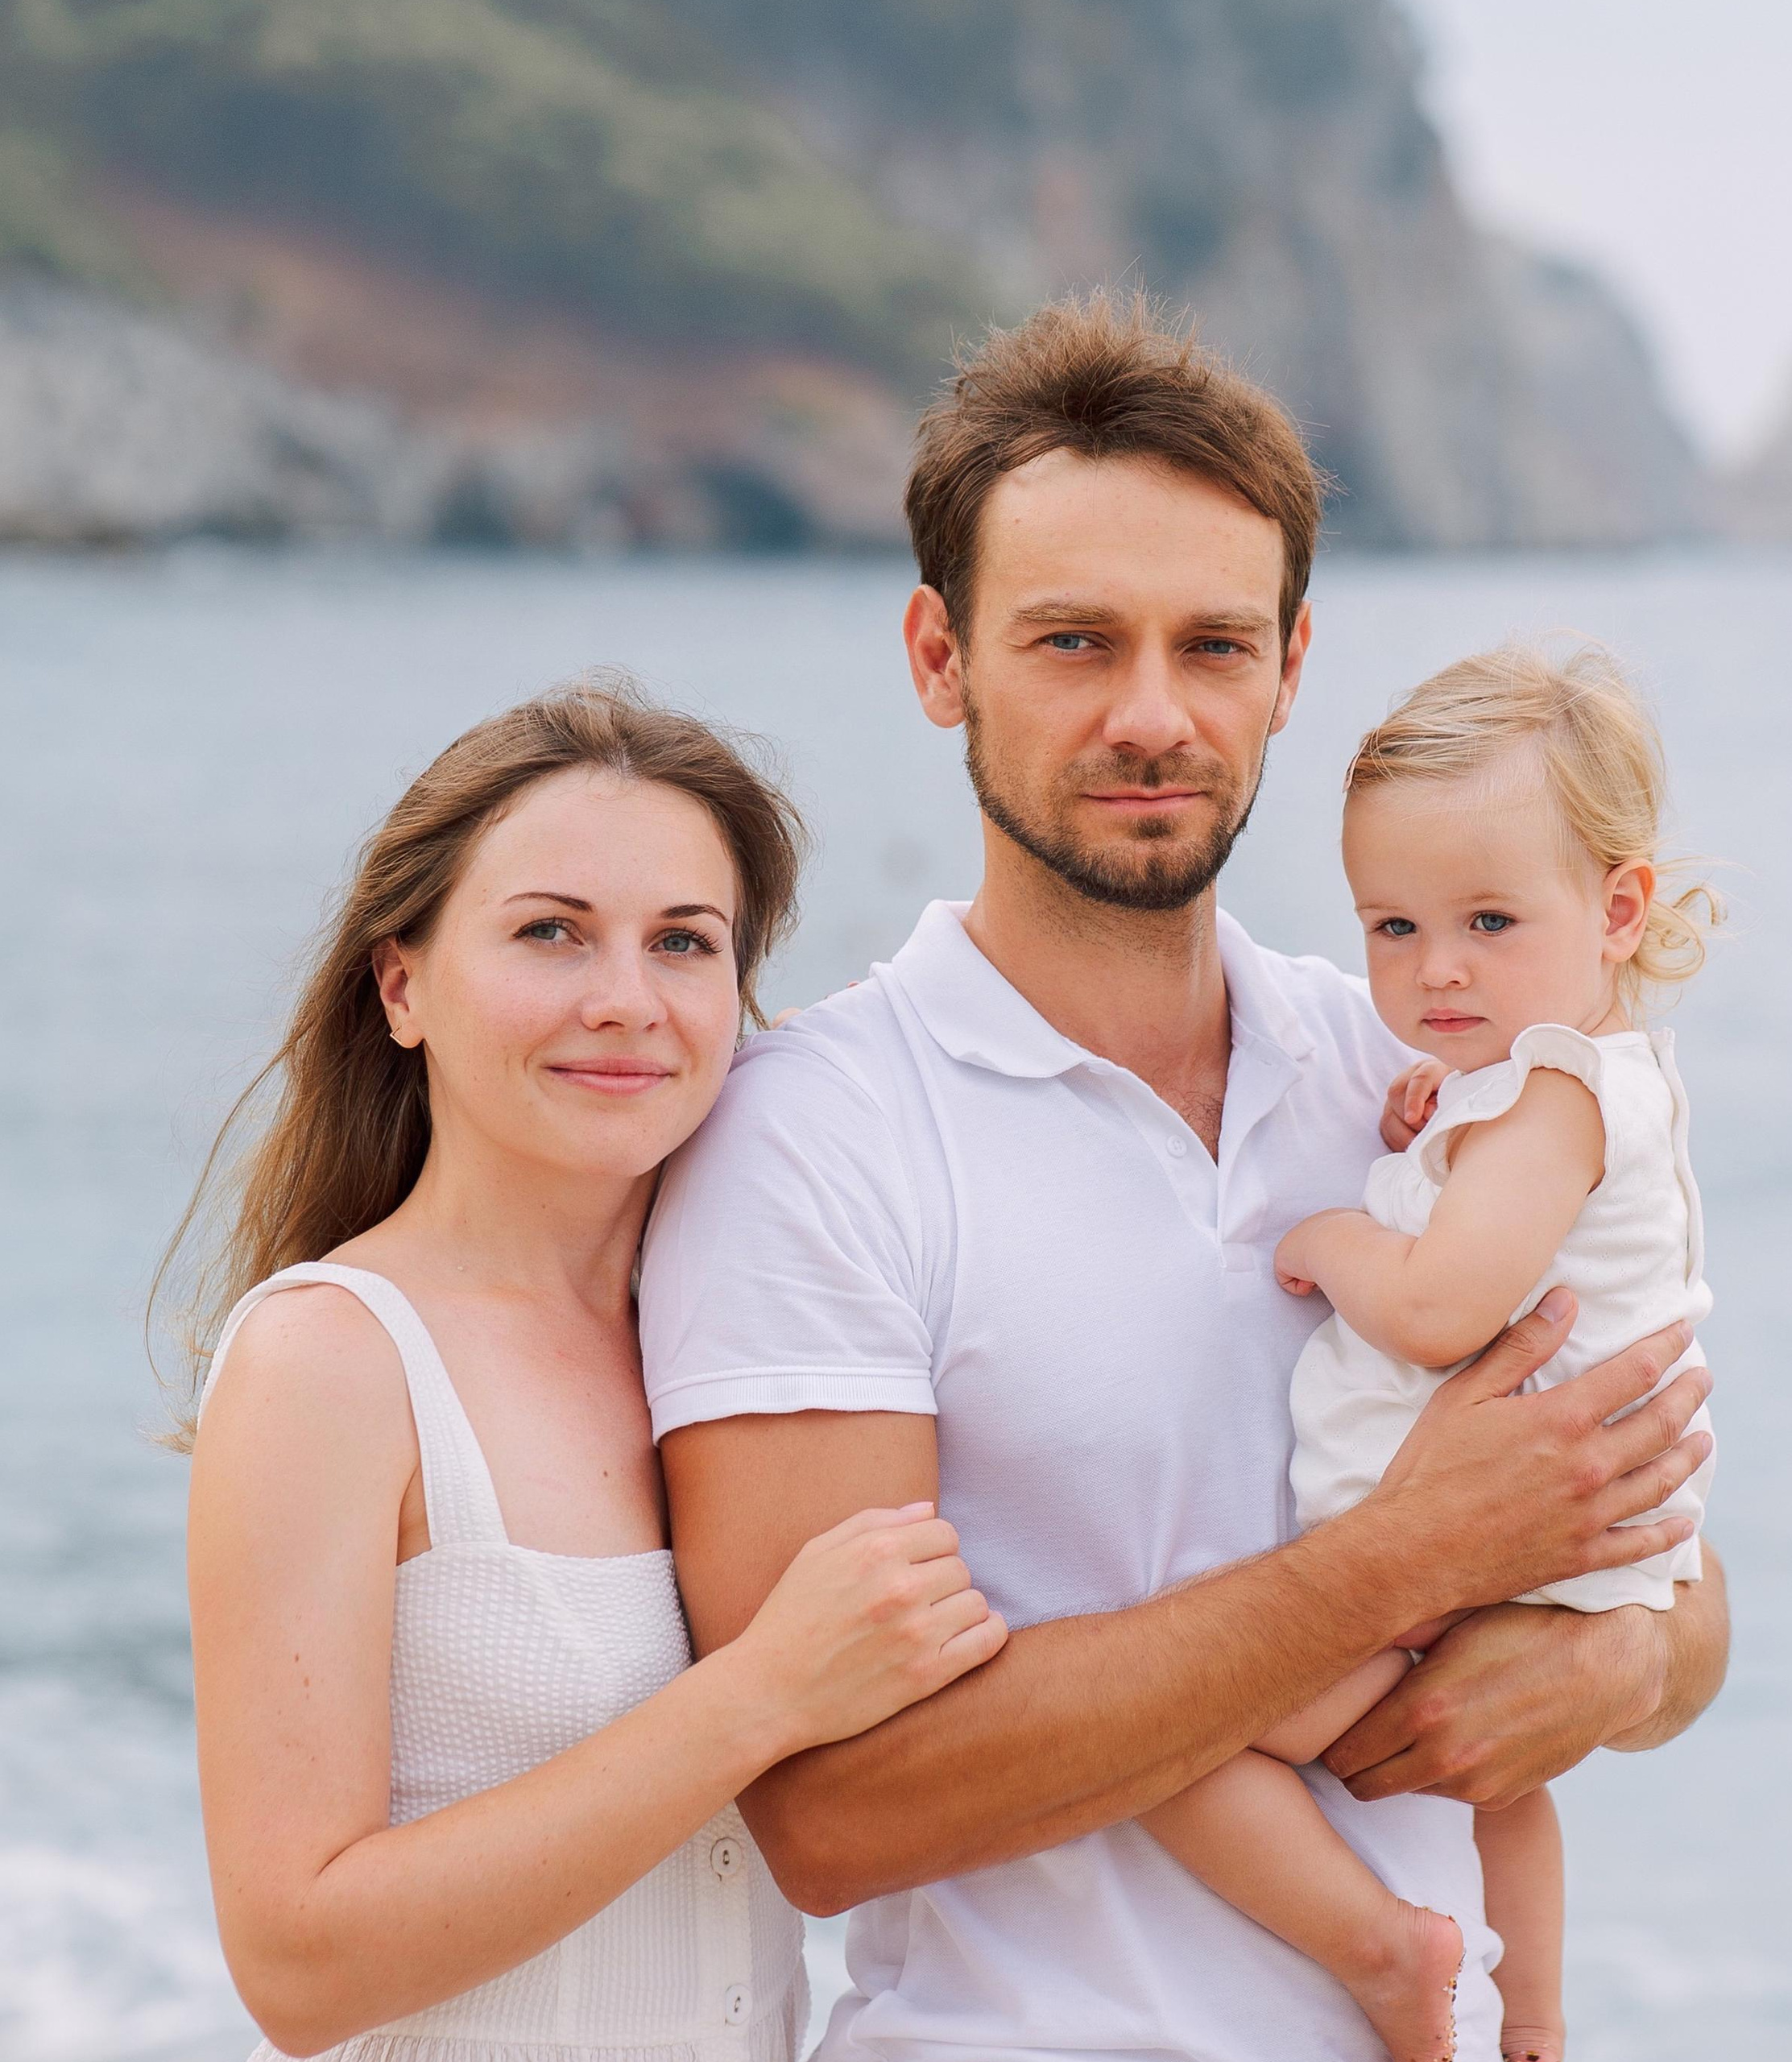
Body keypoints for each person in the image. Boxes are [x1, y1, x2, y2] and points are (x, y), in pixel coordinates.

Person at [638, 293, 1728, 2062]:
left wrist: (1625, 1660)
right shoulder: (807, 1138)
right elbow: (827, 1813)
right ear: (938, 658)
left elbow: (1664, 1565)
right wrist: (1391, 1562)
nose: (1153, 714)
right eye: (1073, 642)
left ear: (1291, 667)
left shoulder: (1418, 1077)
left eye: (1212, 646)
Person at [167, 684, 1006, 2062]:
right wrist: (759, 1698)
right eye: (551, 932)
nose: (626, 1001)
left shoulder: (753, 1350)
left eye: (684, 943)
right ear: (403, 984)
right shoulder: (330, 1360)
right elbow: (297, 1965)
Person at [1142, 644, 1722, 2062]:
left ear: (1619, 908)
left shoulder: (1553, 1100)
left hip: (1473, 1541)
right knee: (1503, 1787)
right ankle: (1532, 2018)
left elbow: (1438, 1308)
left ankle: (1391, 1953)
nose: (1435, 968)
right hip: (1565, 1545)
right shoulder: (1555, 1079)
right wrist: (1449, 1104)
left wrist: (1337, 1236)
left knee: (1175, 1741)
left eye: (1486, 922)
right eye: (1391, 928)